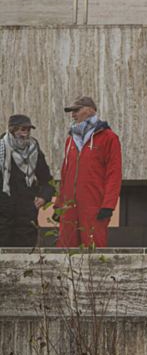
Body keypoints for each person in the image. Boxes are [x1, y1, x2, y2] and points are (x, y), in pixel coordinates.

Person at [55, 96, 122, 249]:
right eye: (71, 111)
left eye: (76, 110)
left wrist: (109, 205)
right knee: (65, 251)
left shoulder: (108, 137)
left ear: (89, 110)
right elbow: (65, 176)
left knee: (94, 250)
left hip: (95, 206)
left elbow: (114, 174)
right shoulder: (70, 140)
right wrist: (59, 205)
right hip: (69, 208)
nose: (72, 115)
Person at [0, 115, 54, 247]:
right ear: (12, 130)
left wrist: (44, 197)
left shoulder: (34, 150)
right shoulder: (1, 149)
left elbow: (47, 180)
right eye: (23, 129)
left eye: (29, 130)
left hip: (26, 212)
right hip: (3, 210)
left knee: (26, 252)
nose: (27, 133)